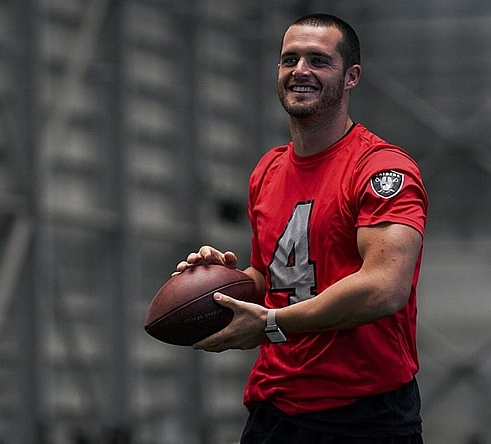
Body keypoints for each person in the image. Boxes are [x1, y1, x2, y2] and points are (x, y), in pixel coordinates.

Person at [176, 13, 428, 444]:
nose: (300, 71)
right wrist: (221, 283)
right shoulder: (268, 170)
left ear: (351, 77)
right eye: (289, 59)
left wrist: (271, 324)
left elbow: (385, 288)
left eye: (318, 60)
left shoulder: (383, 169)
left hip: (364, 413)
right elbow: (272, 278)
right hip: (275, 408)